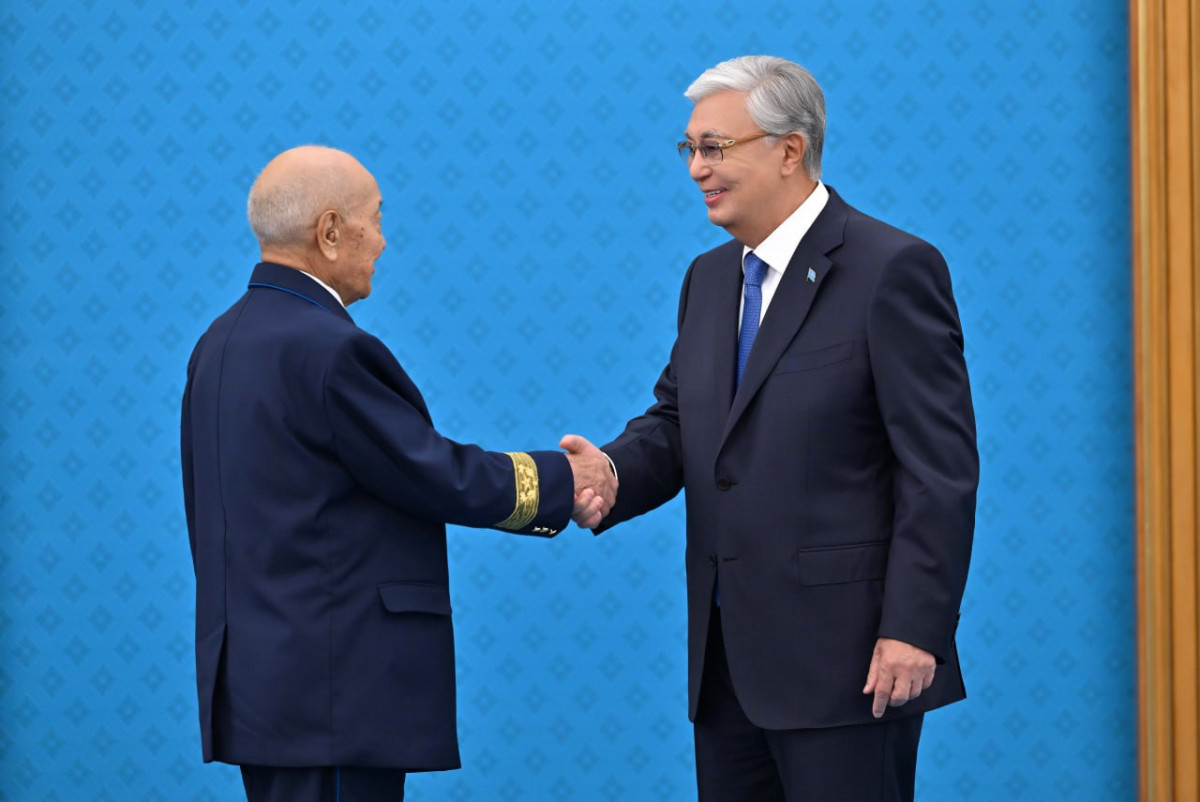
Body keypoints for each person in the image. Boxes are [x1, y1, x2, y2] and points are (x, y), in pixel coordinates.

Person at [564, 56, 978, 801]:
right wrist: (612, 473)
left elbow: (938, 471)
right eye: (689, 148)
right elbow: (681, 422)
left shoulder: (893, 269)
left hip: (852, 665)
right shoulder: (709, 278)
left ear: (790, 149)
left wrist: (915, 628)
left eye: (715, 147)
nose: (696, 168)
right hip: (727, 667)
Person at [180, 145, 615, 802]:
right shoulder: (329, 348)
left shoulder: (217, 343)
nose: (382, 240)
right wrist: (565, 480)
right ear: (330, 231)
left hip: (264, 686)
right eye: (376, 218)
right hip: (334, 689)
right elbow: (435, 473)